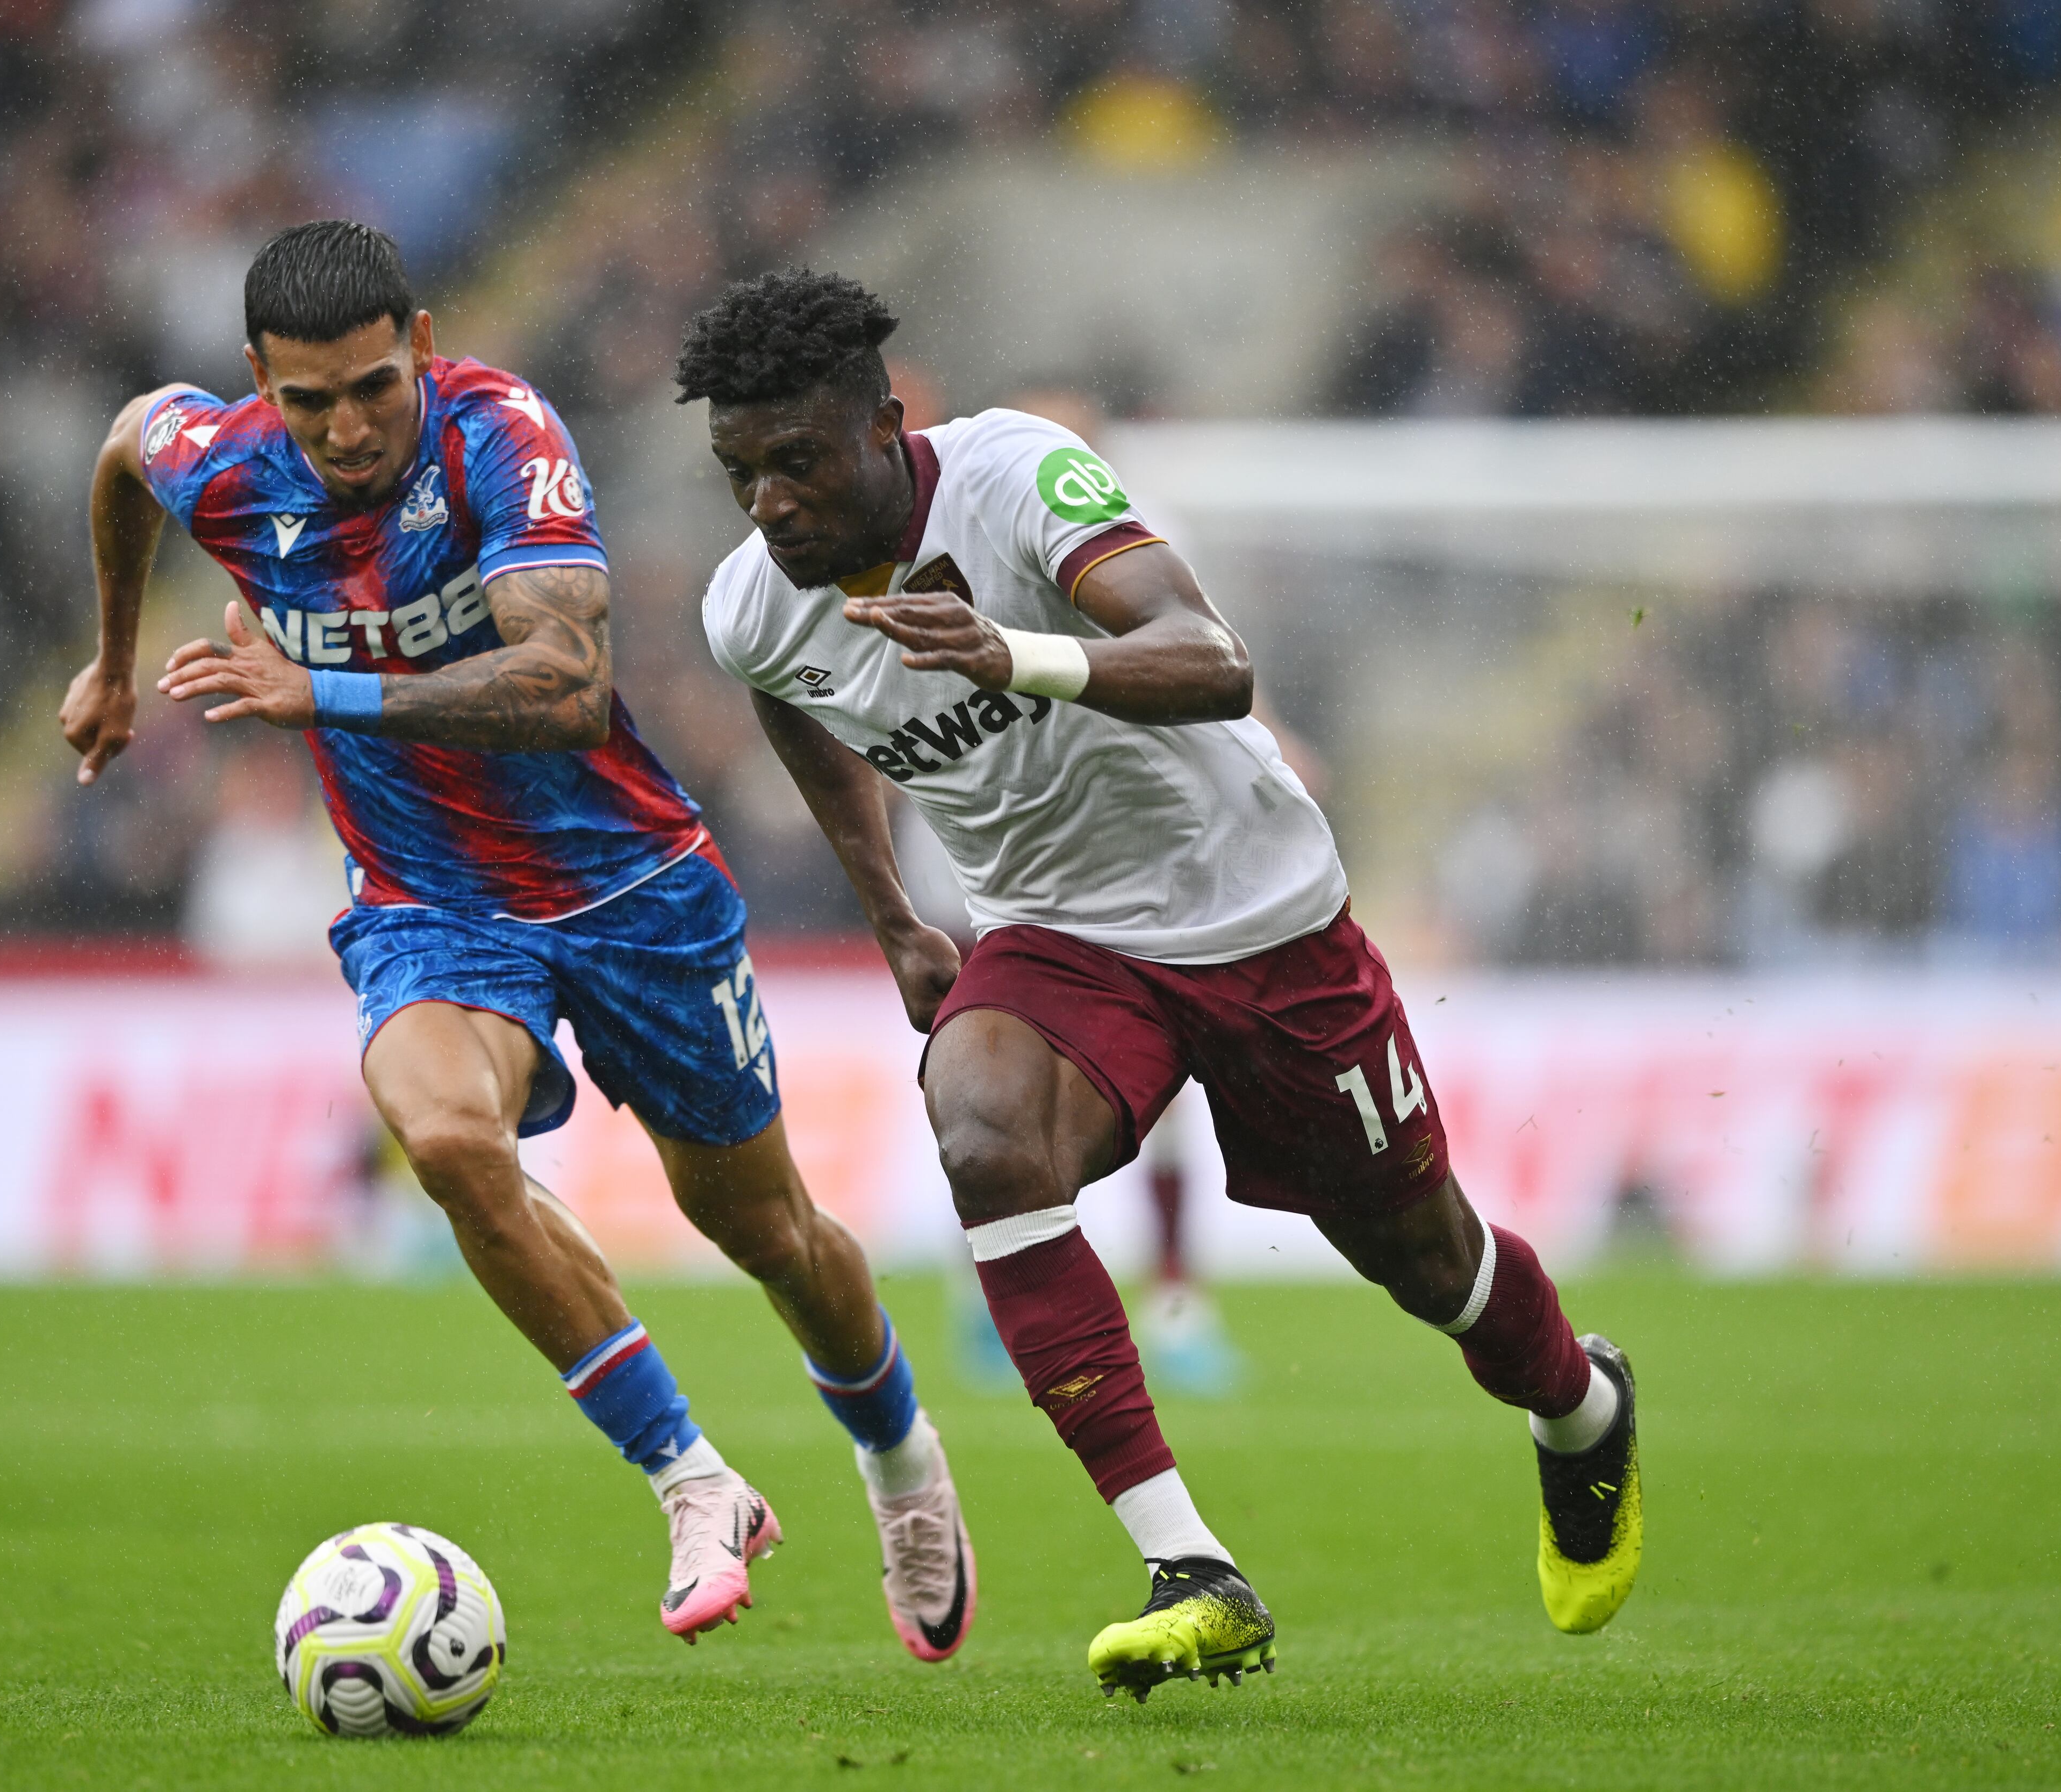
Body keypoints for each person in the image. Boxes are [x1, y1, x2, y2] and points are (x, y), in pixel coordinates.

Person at [680, 268, 1642, 1699]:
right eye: (739, 472)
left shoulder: (1015, 475)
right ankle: (1192, 1567)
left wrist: (1015, 654)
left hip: (1257, 912)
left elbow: (1214, 659)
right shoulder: (754, 606)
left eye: (797, 461)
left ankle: (1581, 1404)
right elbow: (794, 700)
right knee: (982, 1130)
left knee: (1426, 1261)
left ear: (885, 425)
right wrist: (891, 910)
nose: (768, 503)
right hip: (1058, 932)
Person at [56, 221, 974, 1657]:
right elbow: (125, 447)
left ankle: (902, 1459)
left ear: (420, 345)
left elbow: (565, 682)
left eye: (374, 387)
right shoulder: (219, 461)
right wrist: (113, 665)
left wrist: (324, 693)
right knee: (446, 1139)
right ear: (259, 383)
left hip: (630, 887)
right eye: (310, 402)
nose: (348, 429)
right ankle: (693, 1478)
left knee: (768, 1231)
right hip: (429, 899)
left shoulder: (501, 436)